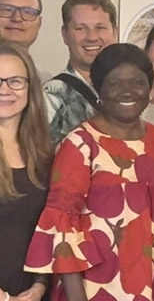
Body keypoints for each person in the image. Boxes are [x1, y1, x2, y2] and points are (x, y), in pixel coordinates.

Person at [25, 43, 154, 300]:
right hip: (96, 286)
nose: (127, 91)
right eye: (115, 84)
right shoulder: (80, 144)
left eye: (137, 83)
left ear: (149, 87)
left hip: (153, 283)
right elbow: (63, 230)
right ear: (98, 89)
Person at [0, 42, 52, 301]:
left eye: (15, 81)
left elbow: (47, 231)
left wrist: (40, 285)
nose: (5, 90)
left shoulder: (44, 155)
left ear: (30, 88)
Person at [43, 0, 118, 144]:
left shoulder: (128, 91)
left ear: (114, 32)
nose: (91, 37)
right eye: (80, 28)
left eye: (100, 27)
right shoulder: (52, 96)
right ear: (65, 34)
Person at [0, 0, 52, 82]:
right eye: (7, 10)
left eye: (28, 12)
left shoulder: (46, 82)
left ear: (39, 23)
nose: (17, 18)